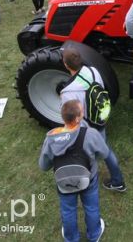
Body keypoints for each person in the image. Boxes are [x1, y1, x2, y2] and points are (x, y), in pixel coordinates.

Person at [59, 47, 126, 193]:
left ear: (65, 65)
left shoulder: (68, 92)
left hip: (86, 129)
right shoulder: (93, 70)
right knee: (105, 150)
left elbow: (72, 118)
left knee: (86, 157)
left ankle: (87, 183)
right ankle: (117, 181)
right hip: (100, 119)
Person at [39, 99, 107, 242]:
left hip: (64, 182)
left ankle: (71, 238)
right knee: (91, 206)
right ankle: (94, 234)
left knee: (68, 210)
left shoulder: (51, 138)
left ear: (63, 117)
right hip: (89, 179)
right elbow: (103, 153)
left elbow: (44, 165)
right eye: (82, 111)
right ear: (77, 118)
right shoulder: (91, 134)